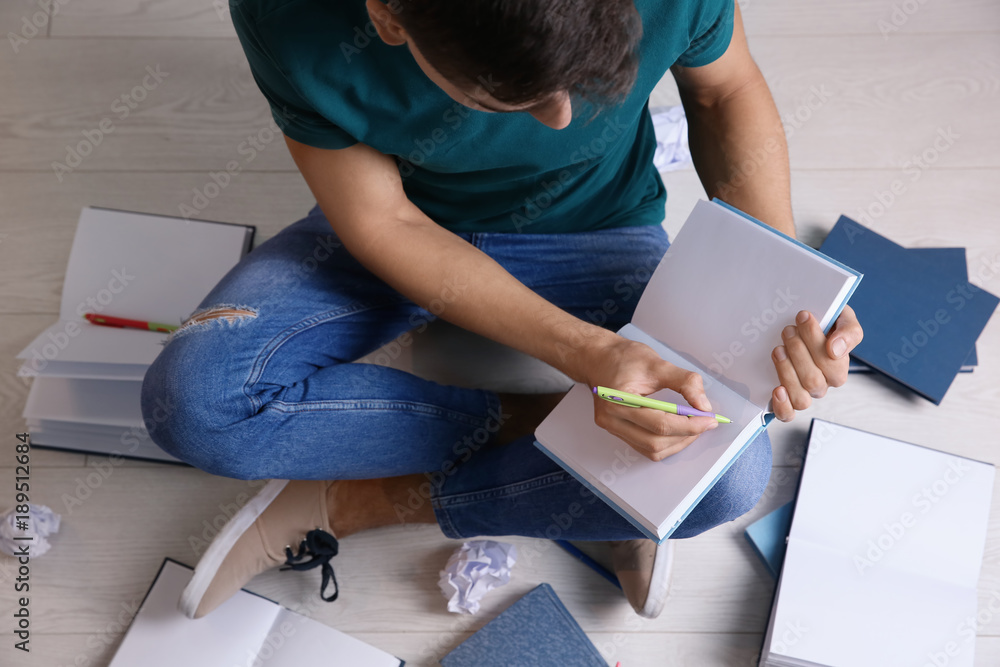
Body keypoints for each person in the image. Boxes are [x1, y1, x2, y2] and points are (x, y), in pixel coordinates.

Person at [140, 0, 863, 622]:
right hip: (396, 223)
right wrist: (590, 360)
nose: (561, 121)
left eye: (587, 81)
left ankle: (358, 502)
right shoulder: (288, 15)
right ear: (389, 17)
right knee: (197, 402)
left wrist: (786, 291)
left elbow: (722, 91)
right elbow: (386, 224)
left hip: (596, 228)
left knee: (727, 474)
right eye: (507, 97)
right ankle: (577, 456)